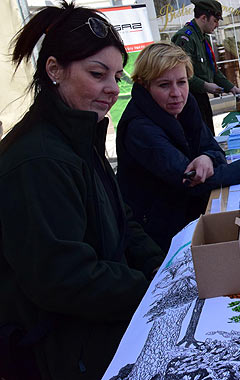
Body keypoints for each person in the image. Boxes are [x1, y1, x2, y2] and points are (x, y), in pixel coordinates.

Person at [0, 3, 165, 379]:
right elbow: (64, 277)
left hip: (100, 331)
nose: (112, 88)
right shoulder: (38, 160)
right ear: (54, 69)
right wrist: (151, 290)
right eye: (97, 74)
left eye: (117, 76)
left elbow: (120, 220)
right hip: (62, 354)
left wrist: (159, 267)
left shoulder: (80, 135)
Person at [116, 43, 240, 252]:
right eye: (164, 85)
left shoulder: (186, 104)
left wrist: (206, 157)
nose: (176, 93)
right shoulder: (139, 129)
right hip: (158, 234)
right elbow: (194, 180)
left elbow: (213, 150)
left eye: (182, 82)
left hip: (187, 212)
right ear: (144, 85)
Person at [171, 0, 240, 134]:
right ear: (204, 18)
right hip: (188, 99)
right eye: (215, 20)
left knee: (208, 133)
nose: (217, 25)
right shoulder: (185, 37)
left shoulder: (204, 38)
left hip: (202, 98)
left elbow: (213, 70)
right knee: (198, 138)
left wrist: (231, 88)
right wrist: (205, 85)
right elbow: (180, 74)